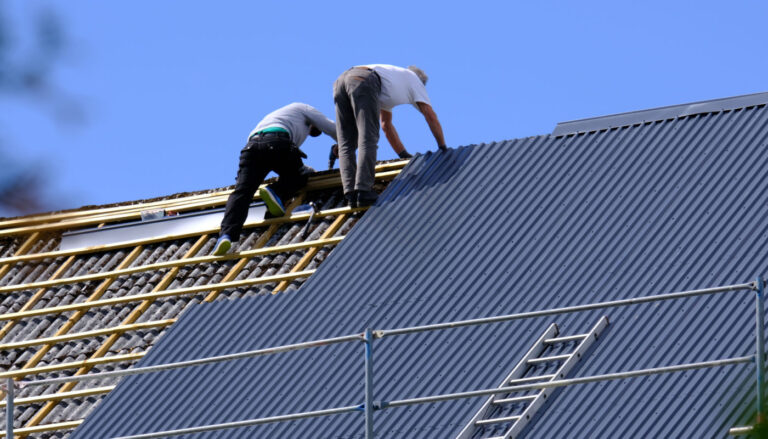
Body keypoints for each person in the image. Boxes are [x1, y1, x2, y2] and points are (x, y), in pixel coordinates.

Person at [212, 103, 337, 256]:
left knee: (242, 193)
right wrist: (346, 143)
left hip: (251, 148)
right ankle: (275, 192)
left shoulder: (278, 117)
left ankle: (227, 236)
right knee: (301, 175)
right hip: (277, 141)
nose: (310, 132)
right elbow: (332, 128)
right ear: (313, 123)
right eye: (313, 129)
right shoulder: (304, 108)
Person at [333, 64, 446, 207]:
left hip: (341, 82)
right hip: (364, 79)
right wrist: (442, 146)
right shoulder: (416, 81)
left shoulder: (393, 83)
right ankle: (363, 190)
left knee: (346, 142)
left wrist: (403, 154)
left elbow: (386, 125)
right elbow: (430, 116)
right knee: (368, 137)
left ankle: (350, 194)